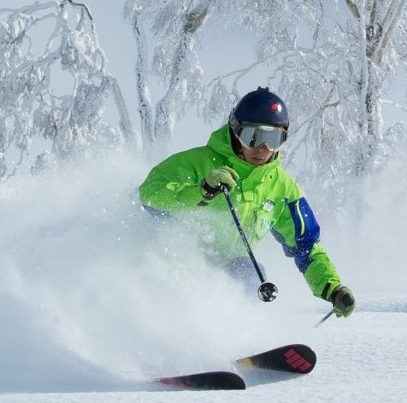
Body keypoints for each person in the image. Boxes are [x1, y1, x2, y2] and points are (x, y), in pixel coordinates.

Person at [138, 87, 355, 318]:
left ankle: (240, 345)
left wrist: (332, 288)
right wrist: (201, 191)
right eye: (254, 136)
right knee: (187, 280)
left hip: (229, 266)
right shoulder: (197, 163)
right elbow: (148, 194)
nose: (263, 149)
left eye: (273, 139)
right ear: (236, 131)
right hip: (177, 257)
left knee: (250, 277)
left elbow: (306, 244)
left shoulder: (281, 187)